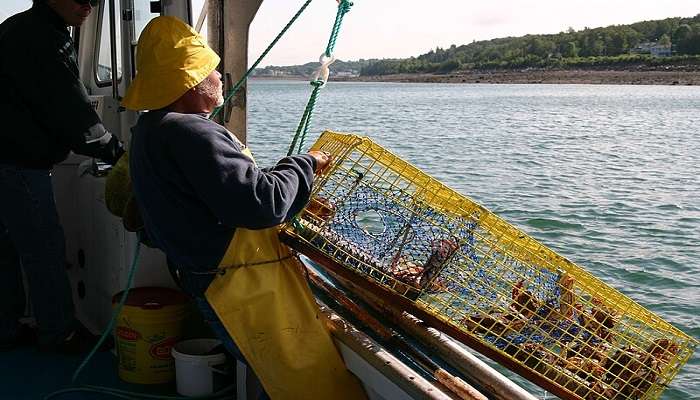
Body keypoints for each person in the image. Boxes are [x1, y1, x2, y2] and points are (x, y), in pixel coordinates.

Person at [123, 16, 366, 400]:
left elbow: (217, 194)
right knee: (300, 381)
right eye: (212, 70)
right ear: (191, 81)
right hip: (237, 284)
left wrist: (294, 192)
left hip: (204, 277)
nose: (221, 76)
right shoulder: (192, 132)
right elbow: (262, 204)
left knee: (266, 373)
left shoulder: (151, 132)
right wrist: (305, 164)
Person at [0, 0, 124, 353]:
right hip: (17, 164)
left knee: (5, 250)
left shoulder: (17, 27)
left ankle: (6, 329)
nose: (88, 4)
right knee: (42, 249)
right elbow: (73, 116)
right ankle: (59, 334)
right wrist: (119, 153)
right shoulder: (44, 40)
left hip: (8, 159)